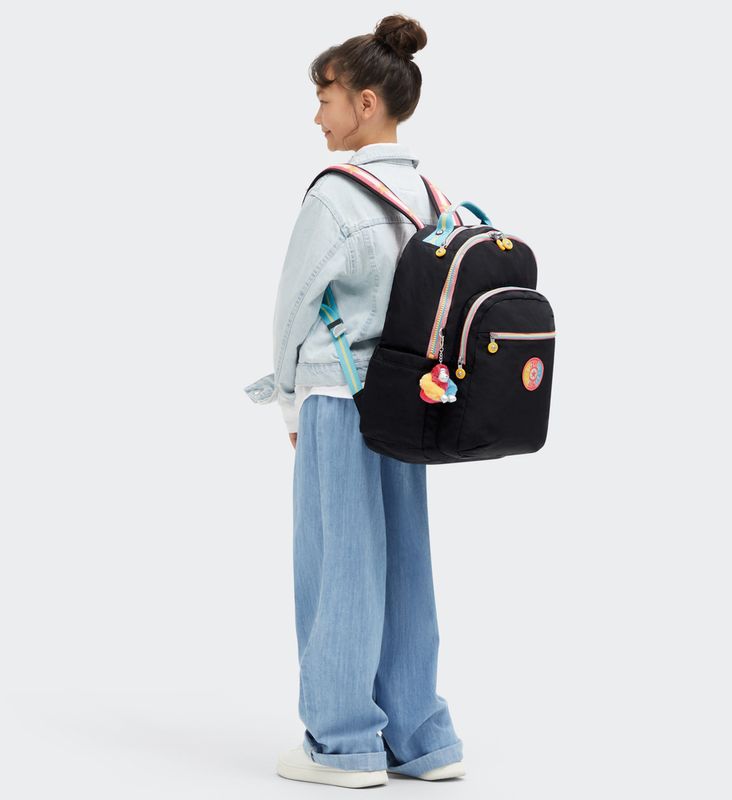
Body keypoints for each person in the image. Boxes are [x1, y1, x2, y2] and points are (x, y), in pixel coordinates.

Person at [244, 14, 465, 789]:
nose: (317, 115)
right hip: (414, 403)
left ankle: (342, 745)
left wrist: (288, 402)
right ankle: (422, 737)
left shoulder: (335, 197)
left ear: (365, 102)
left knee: (340, 563)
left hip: (340, 399)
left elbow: (293, 308)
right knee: (405, 565)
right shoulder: (435, 195)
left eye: (325, 97)